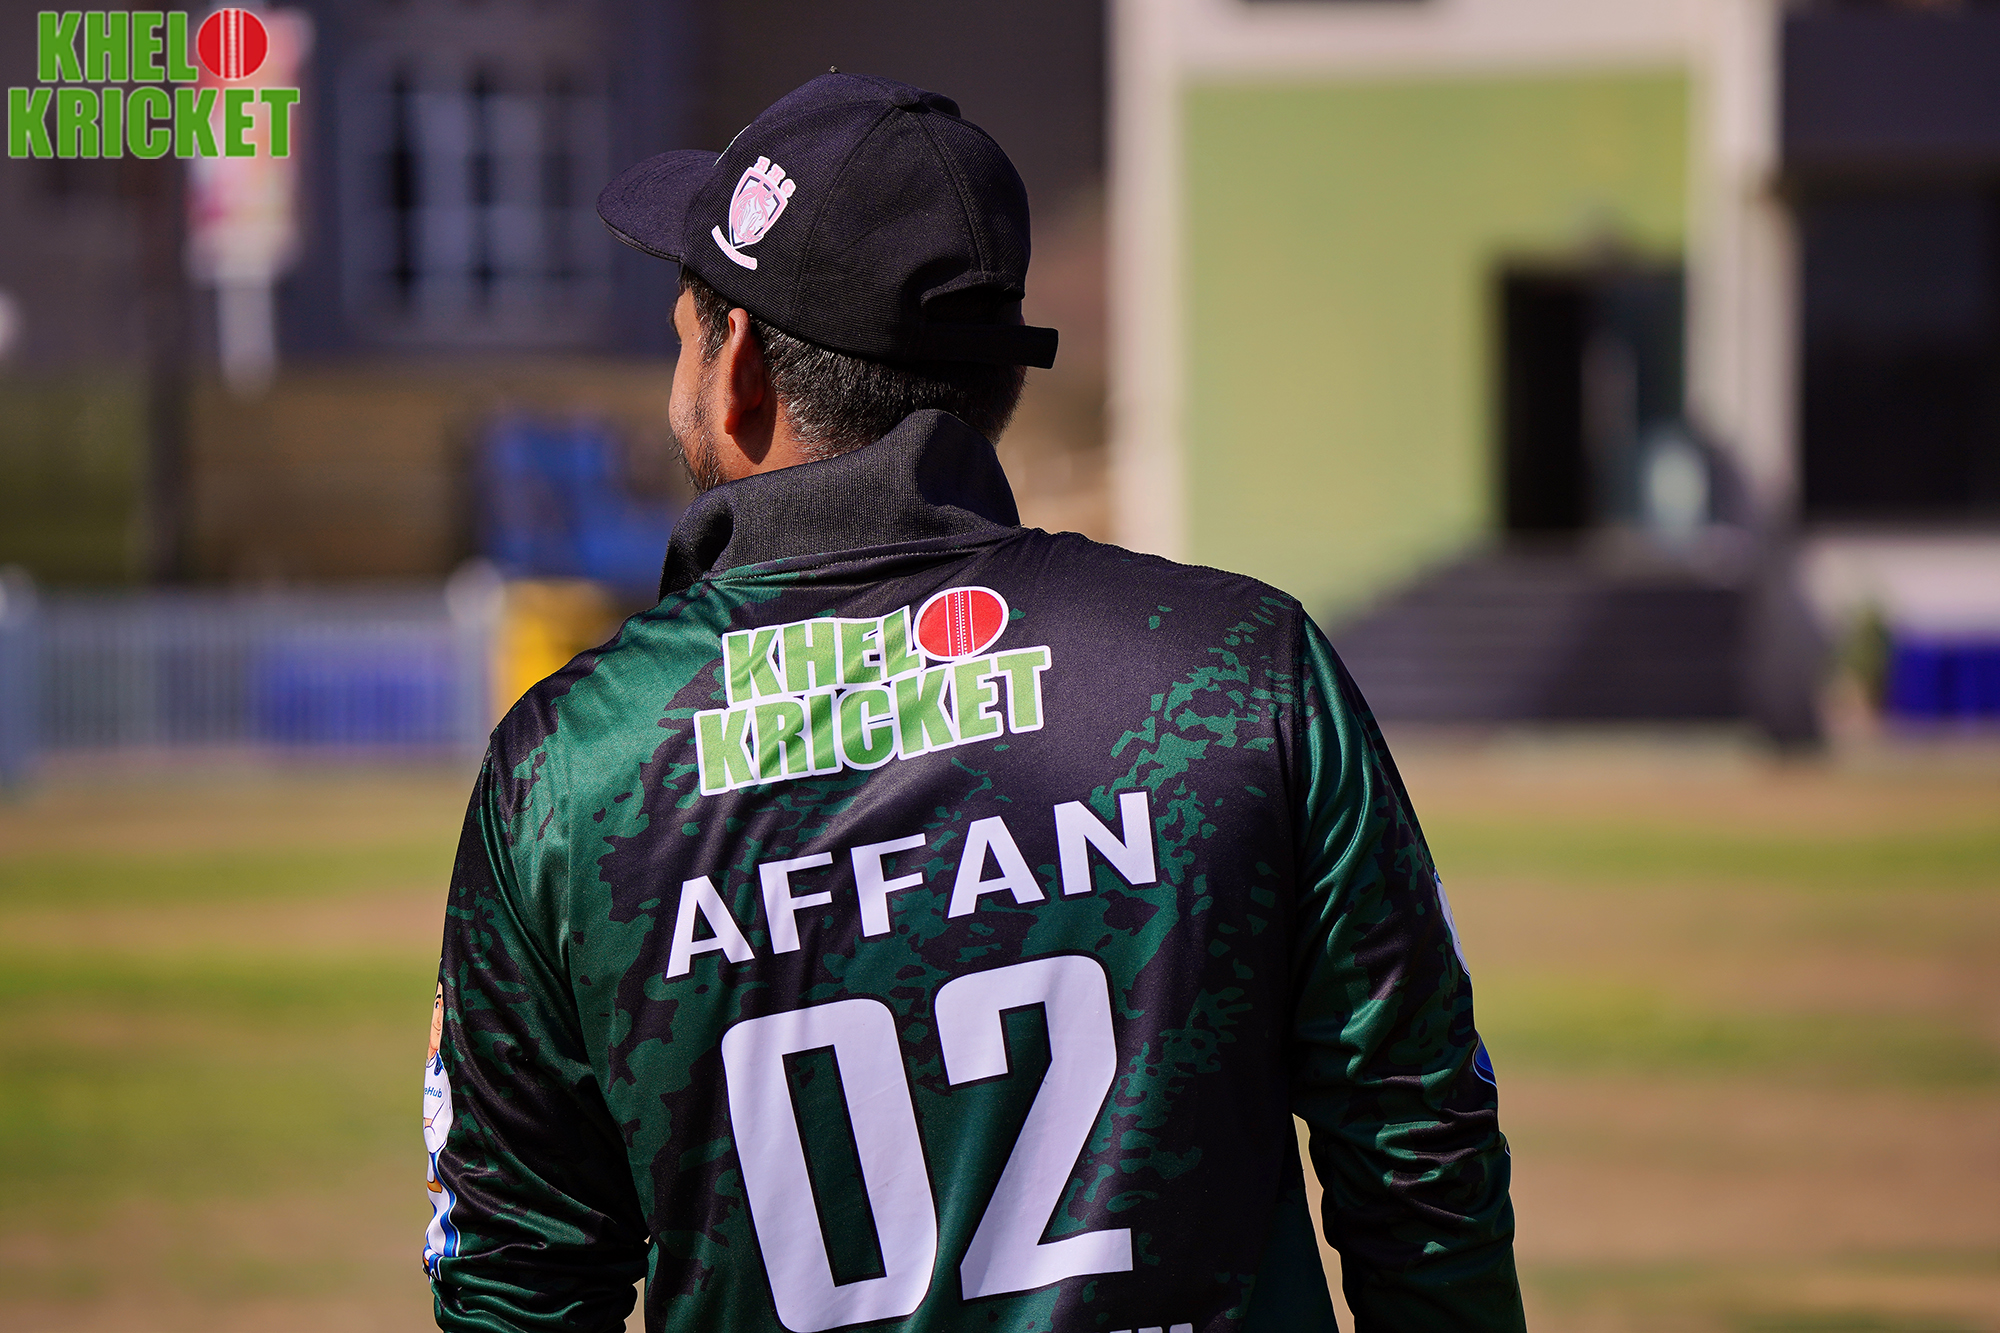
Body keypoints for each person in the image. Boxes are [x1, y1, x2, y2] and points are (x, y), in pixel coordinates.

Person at [423, 72, 1524, 1333]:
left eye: (686, 325)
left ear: (736, 371)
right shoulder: (1239, 671)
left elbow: (515, 1280)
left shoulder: (572, 766)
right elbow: (1421, 1160)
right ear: (996, 383)